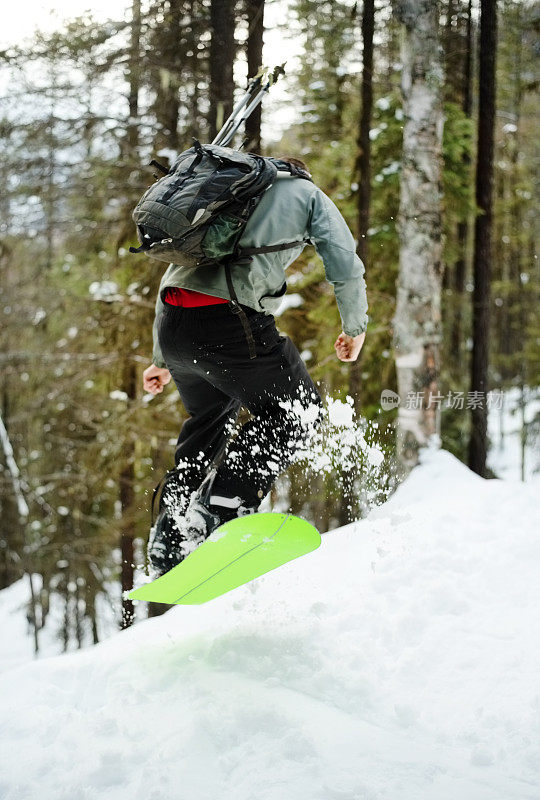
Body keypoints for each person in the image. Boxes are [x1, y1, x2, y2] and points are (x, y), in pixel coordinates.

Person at [142, 157, 368, 576]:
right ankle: (223, 504)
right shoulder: (307, 194)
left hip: (174, 327)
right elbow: (343, 259)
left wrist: (160, 359)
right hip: (233, 321)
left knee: (208, 419)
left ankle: (169, 535)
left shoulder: (221, 195)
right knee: (299, 411)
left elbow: (173, 273)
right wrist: (354, 327)